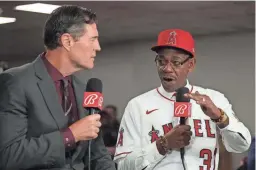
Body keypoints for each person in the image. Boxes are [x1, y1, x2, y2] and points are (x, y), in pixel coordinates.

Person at [114, 29, 251, 170]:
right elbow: (123, 166)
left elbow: (241, 146)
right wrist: (163, 144)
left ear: (190, 65)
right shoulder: (137, 106)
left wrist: (219, 117)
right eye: (161, 61)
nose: (167, 68)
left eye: (176, 62)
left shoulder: (214, 99)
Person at [0, 5, 116, 170]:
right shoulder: (15, 82)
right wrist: (70, 136)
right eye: (92, 39)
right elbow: (8, 155)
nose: (98, 47)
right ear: (67, 41)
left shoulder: (85, 90)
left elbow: (97, 155)